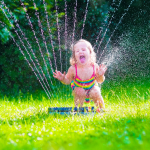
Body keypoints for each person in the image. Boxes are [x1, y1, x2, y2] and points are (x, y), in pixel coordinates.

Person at [53, 39, 107, 112]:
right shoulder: (73, 69)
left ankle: (101, 109)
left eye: (83, 50)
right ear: (74, 56)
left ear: (90, 53)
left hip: (91, 88)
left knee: (96, 91)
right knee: (79, 91)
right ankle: (78, 109)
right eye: (77, 51)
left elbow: (100, 81)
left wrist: (101, 75)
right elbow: (68, 81)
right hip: (79, 89)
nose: (80, 52)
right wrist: (63, 79)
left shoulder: (95, 67)